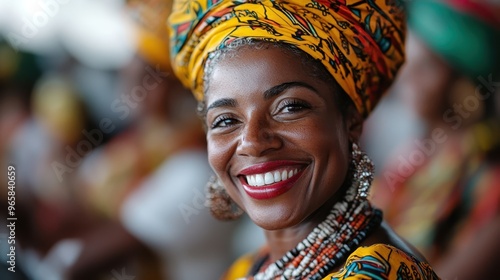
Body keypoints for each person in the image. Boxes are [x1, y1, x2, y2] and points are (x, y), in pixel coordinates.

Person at [168, 0, 440, 279]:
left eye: (290, 107)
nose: (252, 142)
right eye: (226, 121)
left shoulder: (377, 272)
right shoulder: (248, 269)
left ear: (351, 122)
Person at [370, 0, 500, 279]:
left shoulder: (486, 175)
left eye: (426, 66)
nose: (408, 77)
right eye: (407, 61)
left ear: (463, 81)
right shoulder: (412, 159)